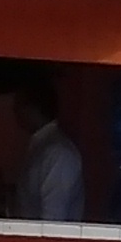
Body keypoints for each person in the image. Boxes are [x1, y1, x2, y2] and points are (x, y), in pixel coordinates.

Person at [14, 80, 89, 224]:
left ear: (32, 108)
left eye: (18, 105)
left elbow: (53, 219)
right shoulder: (42, 148)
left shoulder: (59, 154)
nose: (14, 111)